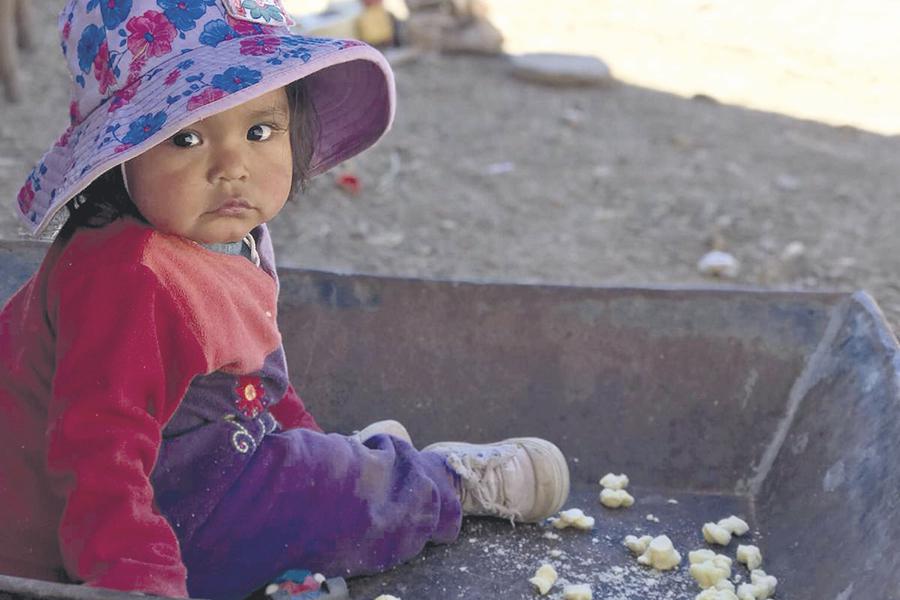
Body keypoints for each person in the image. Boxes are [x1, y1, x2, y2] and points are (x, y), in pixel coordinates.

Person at [0, 2, 570, 599]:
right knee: (348, 496)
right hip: (112, 529)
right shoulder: (128, 278)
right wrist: (138, 580)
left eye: (259, 131)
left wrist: (316, 452)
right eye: (186, 137)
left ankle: (355, 470)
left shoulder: (218, 233)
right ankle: (441, 482)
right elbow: (97, 452)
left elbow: (255, 374)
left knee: (320, 478)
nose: (232, 168)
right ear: (119, 161)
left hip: (193, 464)